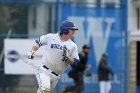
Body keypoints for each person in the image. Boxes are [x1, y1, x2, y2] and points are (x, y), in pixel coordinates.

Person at [27, 20, 80, 93]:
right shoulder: (51, 37)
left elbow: (76, 63)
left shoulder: (73, 46)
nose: (74, 31)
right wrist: (32, 51)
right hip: (44, 70)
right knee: (45, 88)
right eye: (72, 29)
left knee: (43, 91)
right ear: (65, 30)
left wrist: (68, 58)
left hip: (56, 76)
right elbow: (38, 42)